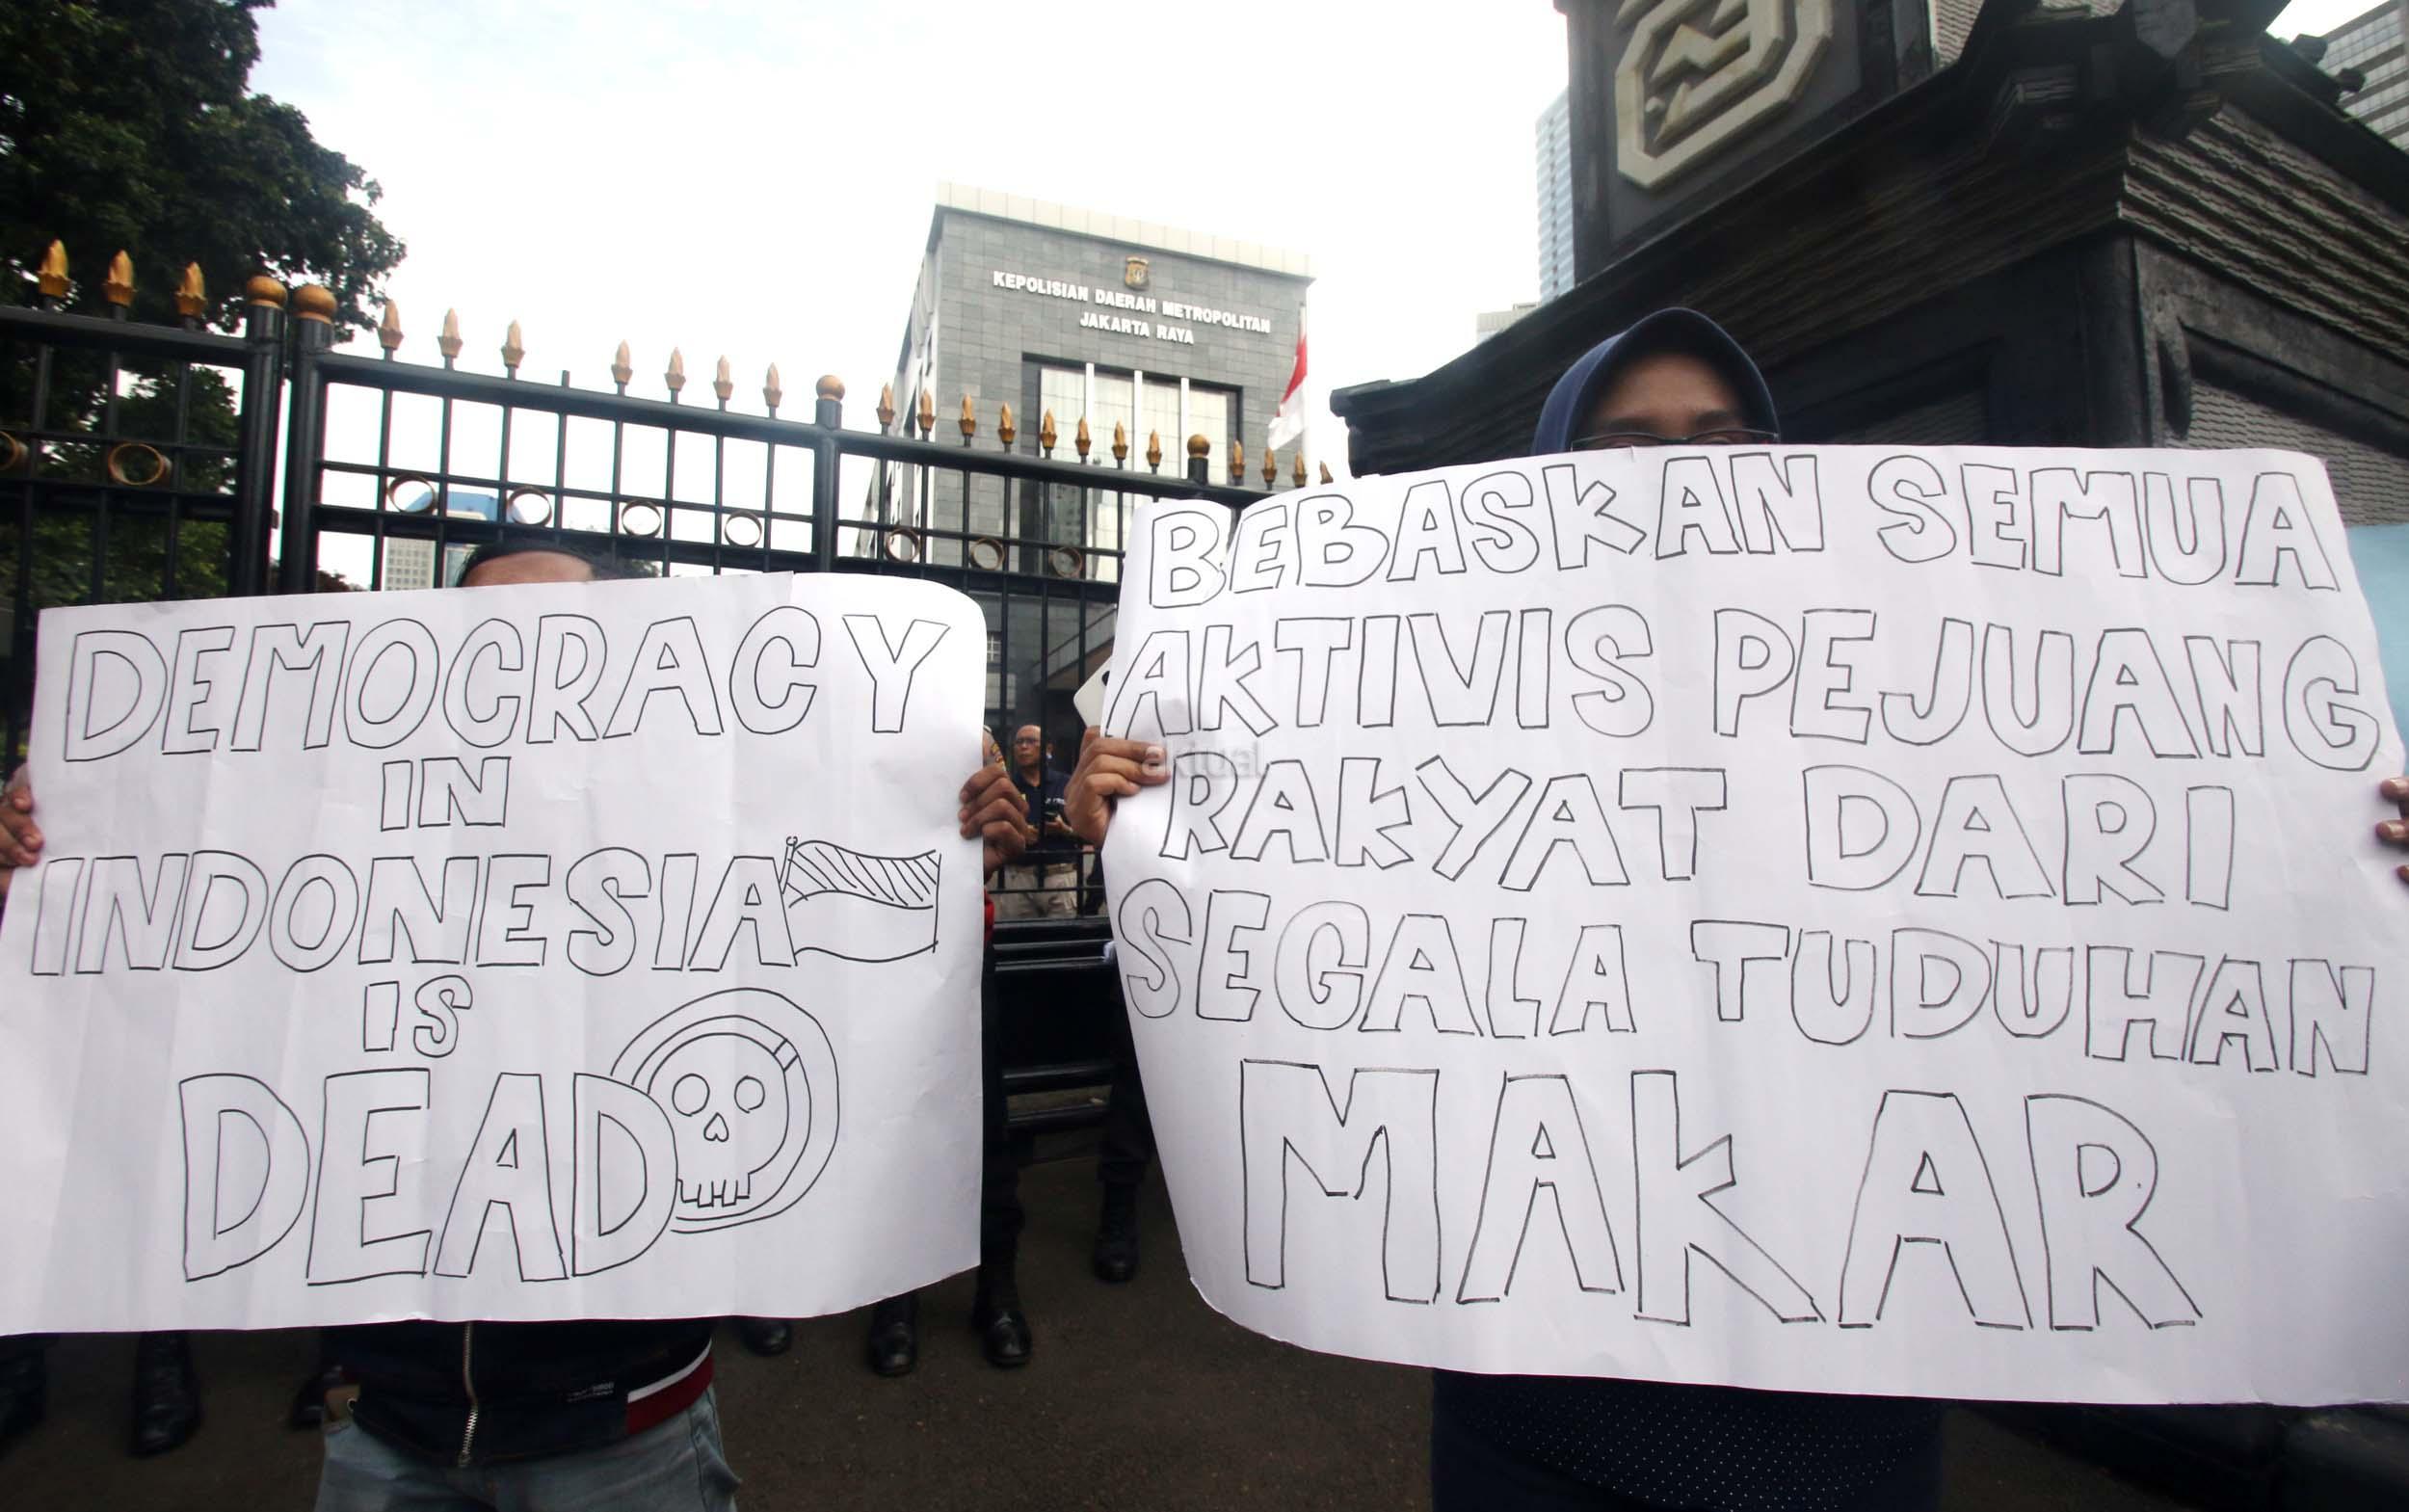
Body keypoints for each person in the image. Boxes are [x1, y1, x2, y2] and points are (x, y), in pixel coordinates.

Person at [0, 538, 1033, 1509]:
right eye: (489, 631)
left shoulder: (699, 835)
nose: (522, 659)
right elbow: (186, 977)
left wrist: (941, 858)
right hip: (383, 1421)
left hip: (625, 1425)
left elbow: (842, 961)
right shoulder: (347, 832)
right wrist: (68, 850)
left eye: (558, 631)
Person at [862, 728, 1038, 1376]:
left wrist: (1001, 830)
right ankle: (895, 1289)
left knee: (985, 1121)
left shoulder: (962, 725)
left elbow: (1012, 823)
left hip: (956, 944)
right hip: (859, 948)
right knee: (886, 1127)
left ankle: (997, 1282)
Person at [992, 724, 1080, 919]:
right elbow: (991, 830)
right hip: (1019, 876)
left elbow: (1087, 833)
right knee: (1018, 936)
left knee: (1061, 937)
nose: (1023, 746)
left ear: (1048, 749)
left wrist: (1065, 830)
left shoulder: (1066, 783)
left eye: (1031, 741)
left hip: (1061, 876)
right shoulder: (1006, 786)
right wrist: (1018, 833)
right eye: (1019, 742)